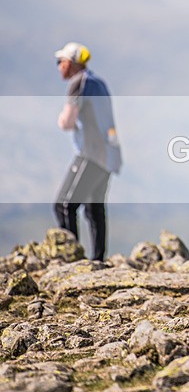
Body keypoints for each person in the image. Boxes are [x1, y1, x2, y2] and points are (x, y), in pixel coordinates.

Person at [53, 42, 122, 261]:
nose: (58, 67)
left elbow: (67, 121)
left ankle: (71, 260)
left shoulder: (79, 83)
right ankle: (98, 260)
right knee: (94, 209)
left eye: (60, 62)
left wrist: (63, 121)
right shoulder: (98, 82)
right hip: (110, 156)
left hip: (91, 154)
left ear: (71, 63)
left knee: (64, 205)